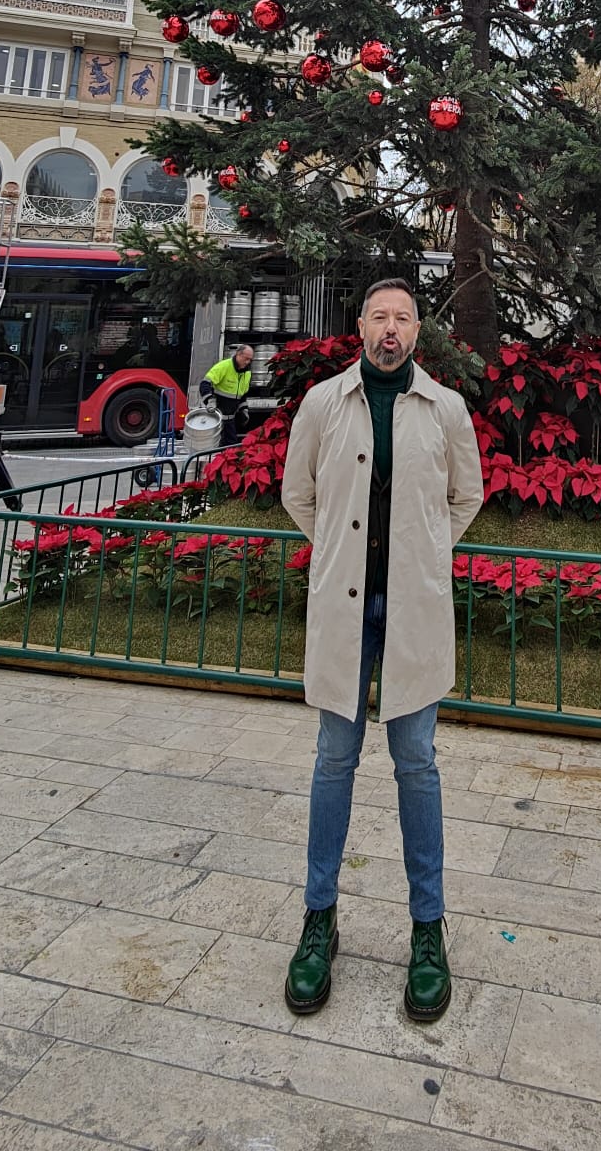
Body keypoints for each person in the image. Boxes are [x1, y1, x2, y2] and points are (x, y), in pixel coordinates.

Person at [279, 278, 483, 1022]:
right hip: (344, 610)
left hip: (413, 613)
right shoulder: (323, 405)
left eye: (403, 318)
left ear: (417, 332)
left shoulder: (446, 410)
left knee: (417, 764)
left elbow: (468, 496)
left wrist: (424, 556)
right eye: (379, 317)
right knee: (335, 758)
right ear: (359, 326)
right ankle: (318, 920)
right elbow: (297, 494)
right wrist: (339, 554)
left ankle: (428, 931)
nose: (390, 329)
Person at [199, 345, 253, 445]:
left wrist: (244, 410)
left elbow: (243, 395)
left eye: (250, 360)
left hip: (230, 421)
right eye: (246, 359)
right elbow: (205, 384)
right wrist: (210, 401)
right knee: (213, 449)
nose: (248, 362)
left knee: (231, 448)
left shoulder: (247, 373)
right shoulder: (224, 366)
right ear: (238, 354)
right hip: (215, 420)